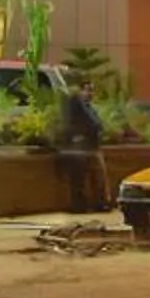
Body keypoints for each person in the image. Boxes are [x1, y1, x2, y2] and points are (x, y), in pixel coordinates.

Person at [54, 83, 106, 212]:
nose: (90, 94)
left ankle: (99, 203)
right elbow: (91, 123)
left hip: (91, 147)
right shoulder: (75, 104)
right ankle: (80, 205)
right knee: (79, 179)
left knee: (98, 177)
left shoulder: (89, 107)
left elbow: (97, 124)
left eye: (92, 91)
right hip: (79, 148)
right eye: (87, 90)